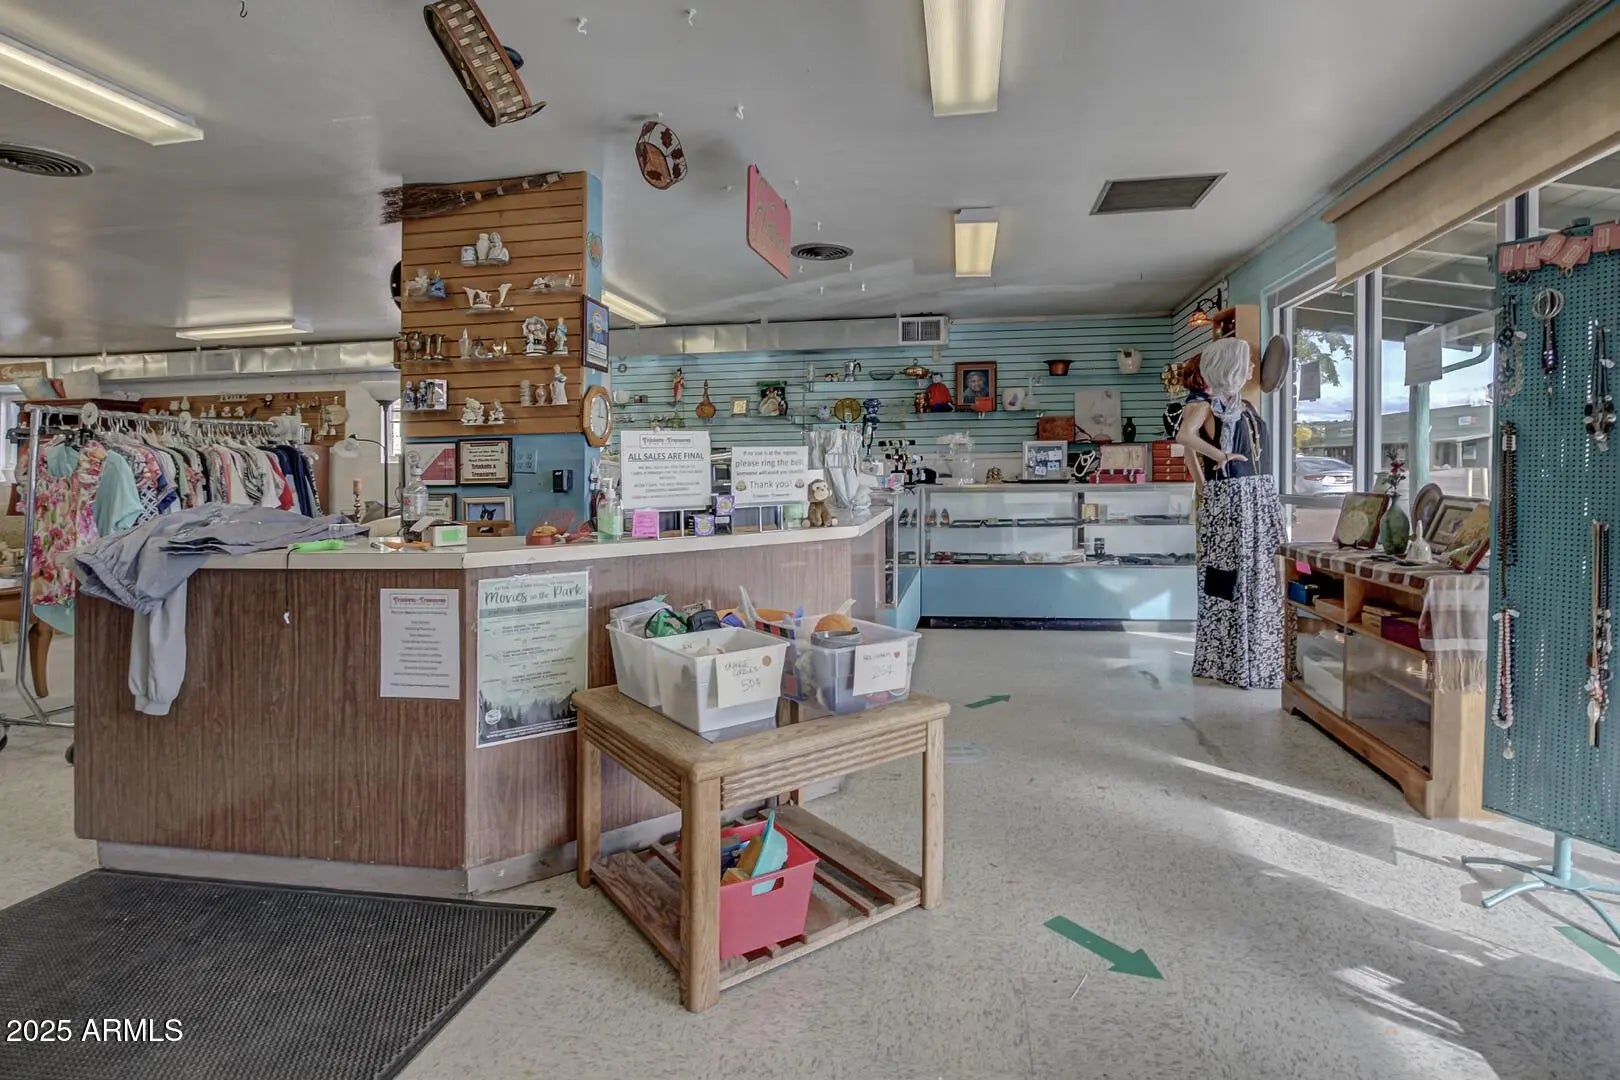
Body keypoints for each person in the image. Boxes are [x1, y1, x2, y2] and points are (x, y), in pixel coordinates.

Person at [1175, 338, 1284, 689]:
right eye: (1246, 362)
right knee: (1230, 578)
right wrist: (1218, 461)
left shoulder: (1242, 404)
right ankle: (1231, 660)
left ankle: (1259, 659)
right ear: (1230, 366)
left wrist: (1203, 483)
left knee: (1260, 575)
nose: (1252, 367)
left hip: (1258, 496)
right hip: (1233, 498)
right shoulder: (1206, 404)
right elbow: (1185, 437)